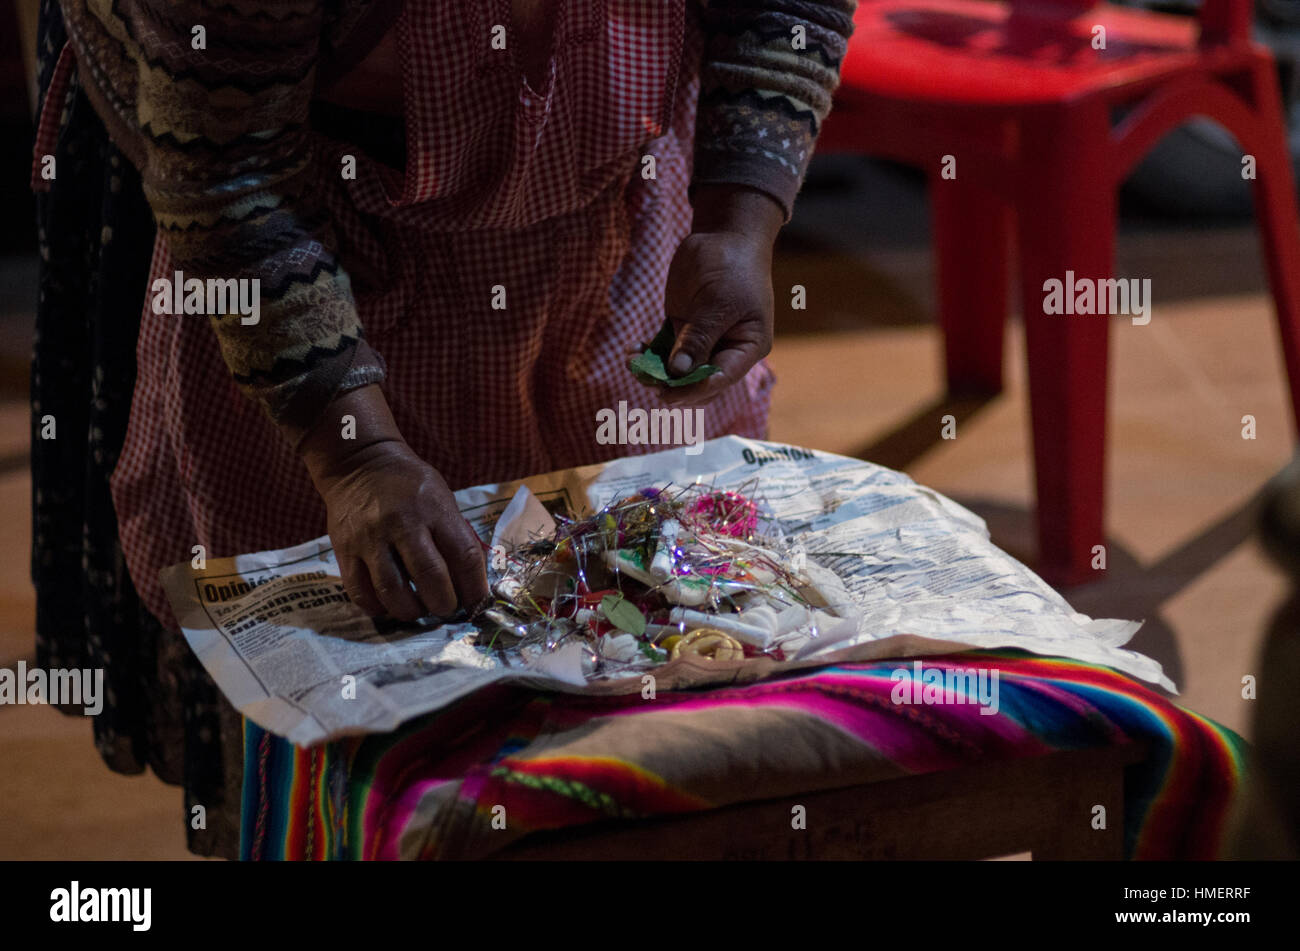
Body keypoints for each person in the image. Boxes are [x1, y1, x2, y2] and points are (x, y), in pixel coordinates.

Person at [33, 0, 857, 857]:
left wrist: (736, 218)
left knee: (626, 647)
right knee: (359, 743)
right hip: (291, 200)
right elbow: (230, 174)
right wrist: (358, 456)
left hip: (606, 193)